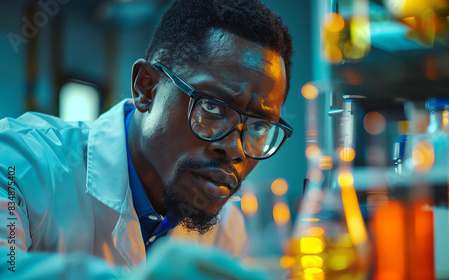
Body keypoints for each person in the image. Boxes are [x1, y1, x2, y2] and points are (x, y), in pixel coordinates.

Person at [0, 0, 293, 279]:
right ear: (147, 88)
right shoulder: (22, 162)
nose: (233, 150)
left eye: (258, 127)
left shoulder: (229, 227)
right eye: (212, 107)